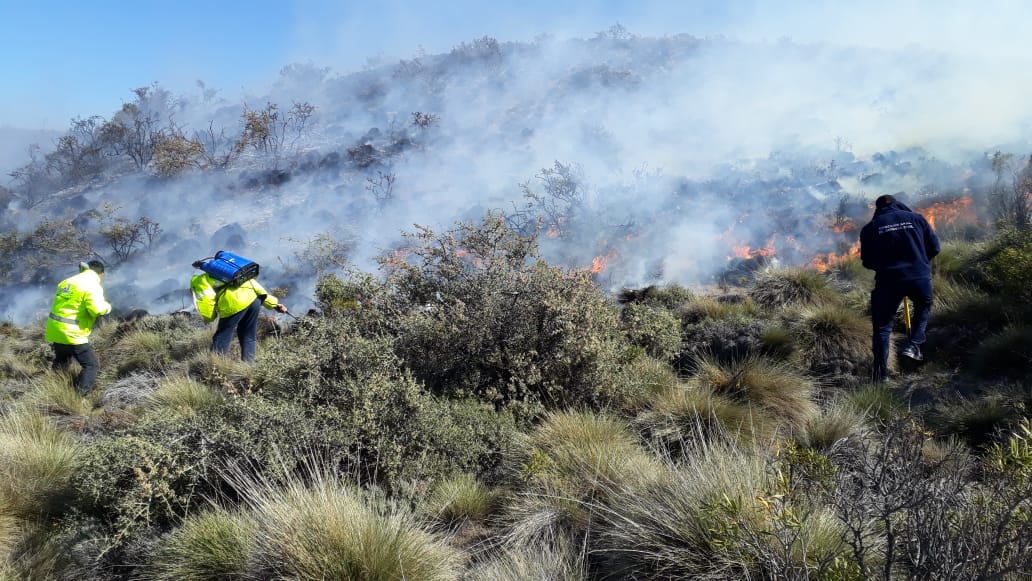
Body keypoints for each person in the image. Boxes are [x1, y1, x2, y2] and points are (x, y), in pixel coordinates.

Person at [860, 194, 941, 382]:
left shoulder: (870, 228)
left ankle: (880, 376)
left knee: (882, 327)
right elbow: (934, 247)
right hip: (918, 278)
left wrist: (885, 268)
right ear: (897, 204)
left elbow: (867, 261)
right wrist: (918, 263)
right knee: (923, 304)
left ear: (878, 208)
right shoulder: (917, 219)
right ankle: (913, 344)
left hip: (888, 282)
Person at [190, 262, 288, 362]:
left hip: (233, 303)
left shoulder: (199, 279)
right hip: (253, 300)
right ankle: (248, 367)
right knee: (248, 334)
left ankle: (215, 366)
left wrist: (209, 317)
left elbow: (205, 300)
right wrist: (274, 304)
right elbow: (254, 286)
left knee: (222, 336)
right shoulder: (232, 269)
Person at [45, 260, 112, 394]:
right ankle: (80, 396)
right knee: (91, 365)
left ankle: (54, 388)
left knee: (62, 360)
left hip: (54, 329)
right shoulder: (92, 285)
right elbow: (97, 309)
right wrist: (108, 307)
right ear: (100, 274)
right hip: (72, 333)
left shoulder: (66, 282)